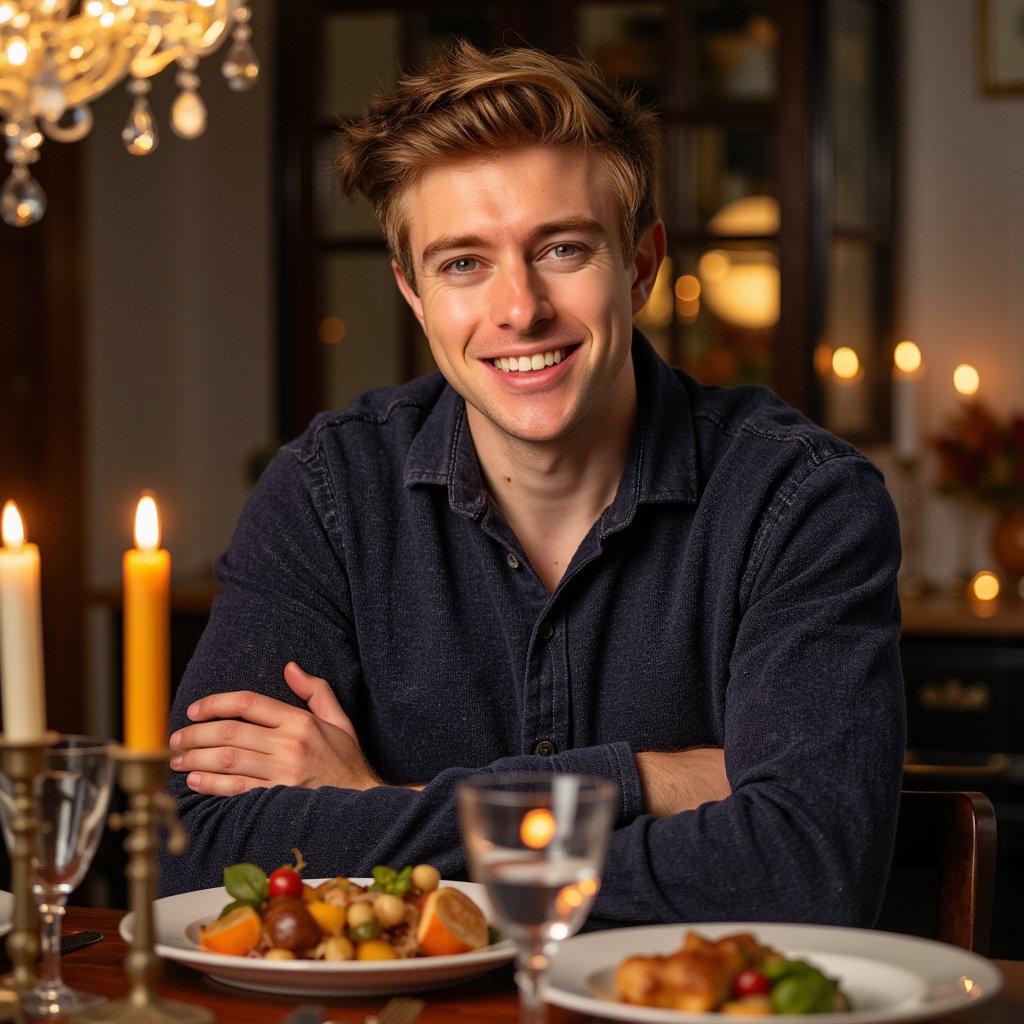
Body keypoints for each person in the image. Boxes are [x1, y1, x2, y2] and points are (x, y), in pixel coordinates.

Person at [162, 41, 905, 928]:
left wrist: (380, 803)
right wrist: (645, 780)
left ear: (640, 265)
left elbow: (805, 870)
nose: (519, 309)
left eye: (560, 248)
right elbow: (199, 857)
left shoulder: (802, 502)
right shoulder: (327, 493)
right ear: (412, 292)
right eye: (463, 263)